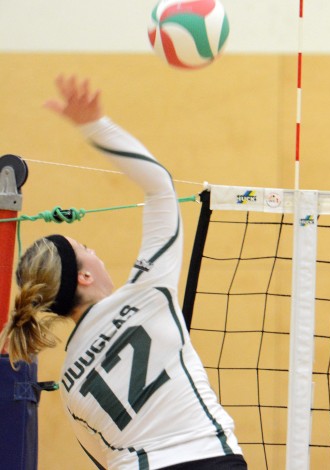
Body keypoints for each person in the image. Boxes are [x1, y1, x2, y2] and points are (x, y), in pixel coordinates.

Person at [0, 75, 246, 469]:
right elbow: (160, 188)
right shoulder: (148, 294)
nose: (94, 252)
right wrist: (95, 125)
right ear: (82, 276)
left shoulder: (70, 386)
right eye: (85, 249)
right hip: (209, 458)